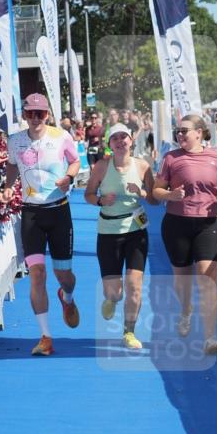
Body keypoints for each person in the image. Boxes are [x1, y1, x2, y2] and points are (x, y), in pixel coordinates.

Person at [3, 93, 81, 356]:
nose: (35, 118)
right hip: (31, 214)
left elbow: (75, 160)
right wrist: (7, 187)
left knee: (64, 276)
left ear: (48, 115)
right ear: (24, 115)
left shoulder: (61, 137)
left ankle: (67, 297)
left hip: (58, 211)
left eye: (41, 114)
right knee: (37, 274)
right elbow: (12, 167)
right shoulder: (15, 141)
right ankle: (46, 337)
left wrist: (69, 178)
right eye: (30, 113)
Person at [152, 114, 217, 355]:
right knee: (182, 278)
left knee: (207, 279)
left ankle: (210, 337)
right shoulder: (171, 158)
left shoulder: (216, 156)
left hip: (208, 222)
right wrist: (169, 195)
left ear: (199, 132)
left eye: (184, 131)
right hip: (177, 223)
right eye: (178, 131)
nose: (180, 135)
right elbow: (157, 190)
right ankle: (186, 310)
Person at [84, 122, 157, 350]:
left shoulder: (143, 167)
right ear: (110, 145)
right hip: (108, 233)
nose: (120, 142)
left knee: (135, 286)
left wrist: (143, 192)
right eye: (115, 138)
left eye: (123, 137)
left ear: (131, 140)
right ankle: (111, 299)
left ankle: (129, 332)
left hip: (136, 231)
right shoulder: (102, 167)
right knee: (114, 293)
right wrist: (99, 201)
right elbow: (88, 194)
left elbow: (155, 198)